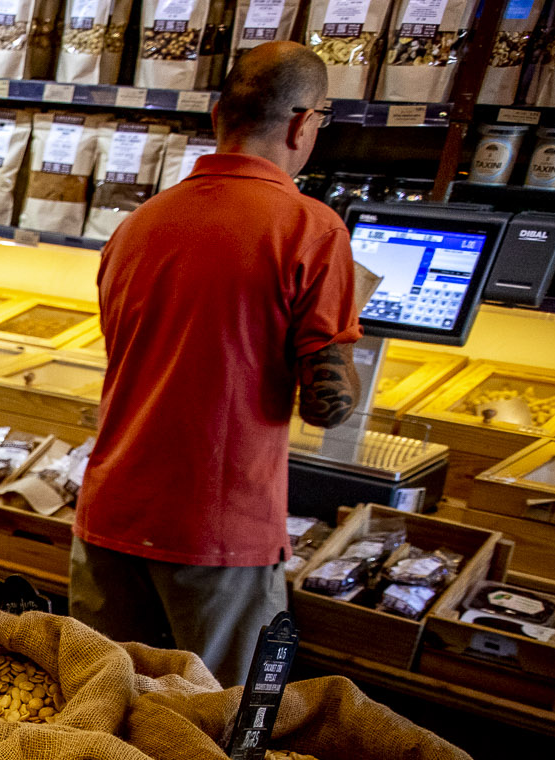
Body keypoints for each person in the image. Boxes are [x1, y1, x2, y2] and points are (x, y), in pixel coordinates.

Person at [72, 41, 360, 682]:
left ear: (216, 117)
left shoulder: (139, 224)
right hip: (219, 532)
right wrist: (345, 321)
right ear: (301, 123)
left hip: (111, 515)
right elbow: (330, 407)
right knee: (220, 730)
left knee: (99, 716)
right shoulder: (311, 229)